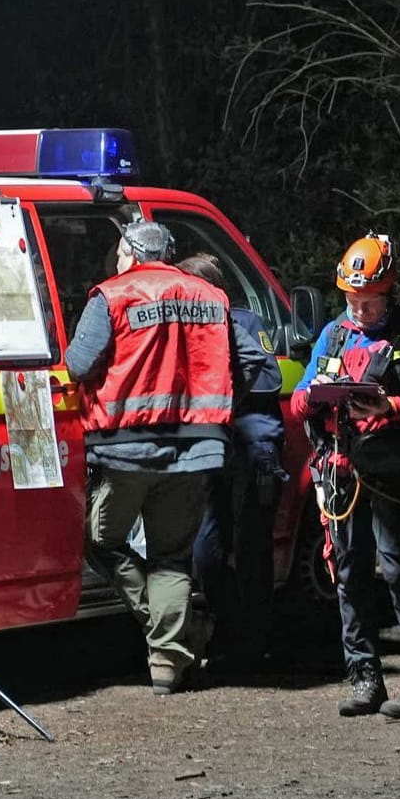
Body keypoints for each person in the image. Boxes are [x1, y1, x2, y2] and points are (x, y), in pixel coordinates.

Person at [67, 220, 266, 695]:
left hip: (124, 449)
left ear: (133, 255)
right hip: (195, 450)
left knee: (100, 541)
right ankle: (167, 662)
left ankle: (164, 635)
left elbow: (78, 363)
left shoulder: (112, 296)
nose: (116, 262)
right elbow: (242, 366)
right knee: (172, 558)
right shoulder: (210, 298)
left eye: (119, 254)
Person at [292, 232, 400, 719]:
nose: (360, 310)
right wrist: (315, 394)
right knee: (348, 571)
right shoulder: (334, 334)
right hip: (341, 470)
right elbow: (301, 394)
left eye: (371, 301)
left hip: (394, 471)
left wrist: (392, 406)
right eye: (353, 300)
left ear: (390, 291)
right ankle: (363, 674)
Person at [175, 253, 286, 672]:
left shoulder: (244, 323)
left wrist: (228, 397)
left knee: (252, 548)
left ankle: (254, 645)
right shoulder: (187, 329)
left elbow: (268, 376)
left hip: (254, 450)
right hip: (212, 447)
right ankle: (228, 627)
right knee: (206, 550)